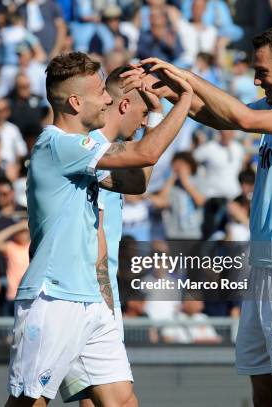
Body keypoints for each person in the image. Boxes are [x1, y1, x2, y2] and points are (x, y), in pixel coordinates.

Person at [138, 25, 272, 407]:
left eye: (262, 72)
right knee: (264, 392)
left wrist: (186, 75)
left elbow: (242, 119)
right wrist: (171, 92)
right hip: (264, 265)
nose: (255, 79)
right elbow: (220, 116)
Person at [6, 52, 193, 406]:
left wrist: (152, 115)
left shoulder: (85, 152)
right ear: (76, 102)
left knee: (122, 401)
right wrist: (183, 100)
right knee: (28, 403)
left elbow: (135, 182)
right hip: (54, 295)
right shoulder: (58, 144)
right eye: (100, 93)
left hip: (90, 299)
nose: (108, 99)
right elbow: (146, 154)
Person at [59, 64, 164, 405]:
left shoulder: (107, 153)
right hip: (89, 296)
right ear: (124, 106)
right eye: (143, 111)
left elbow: (140, 181)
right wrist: (104, 305)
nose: (143, 120)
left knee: (94, 401)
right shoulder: (91, 152)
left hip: (94, 296)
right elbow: (95, 233)